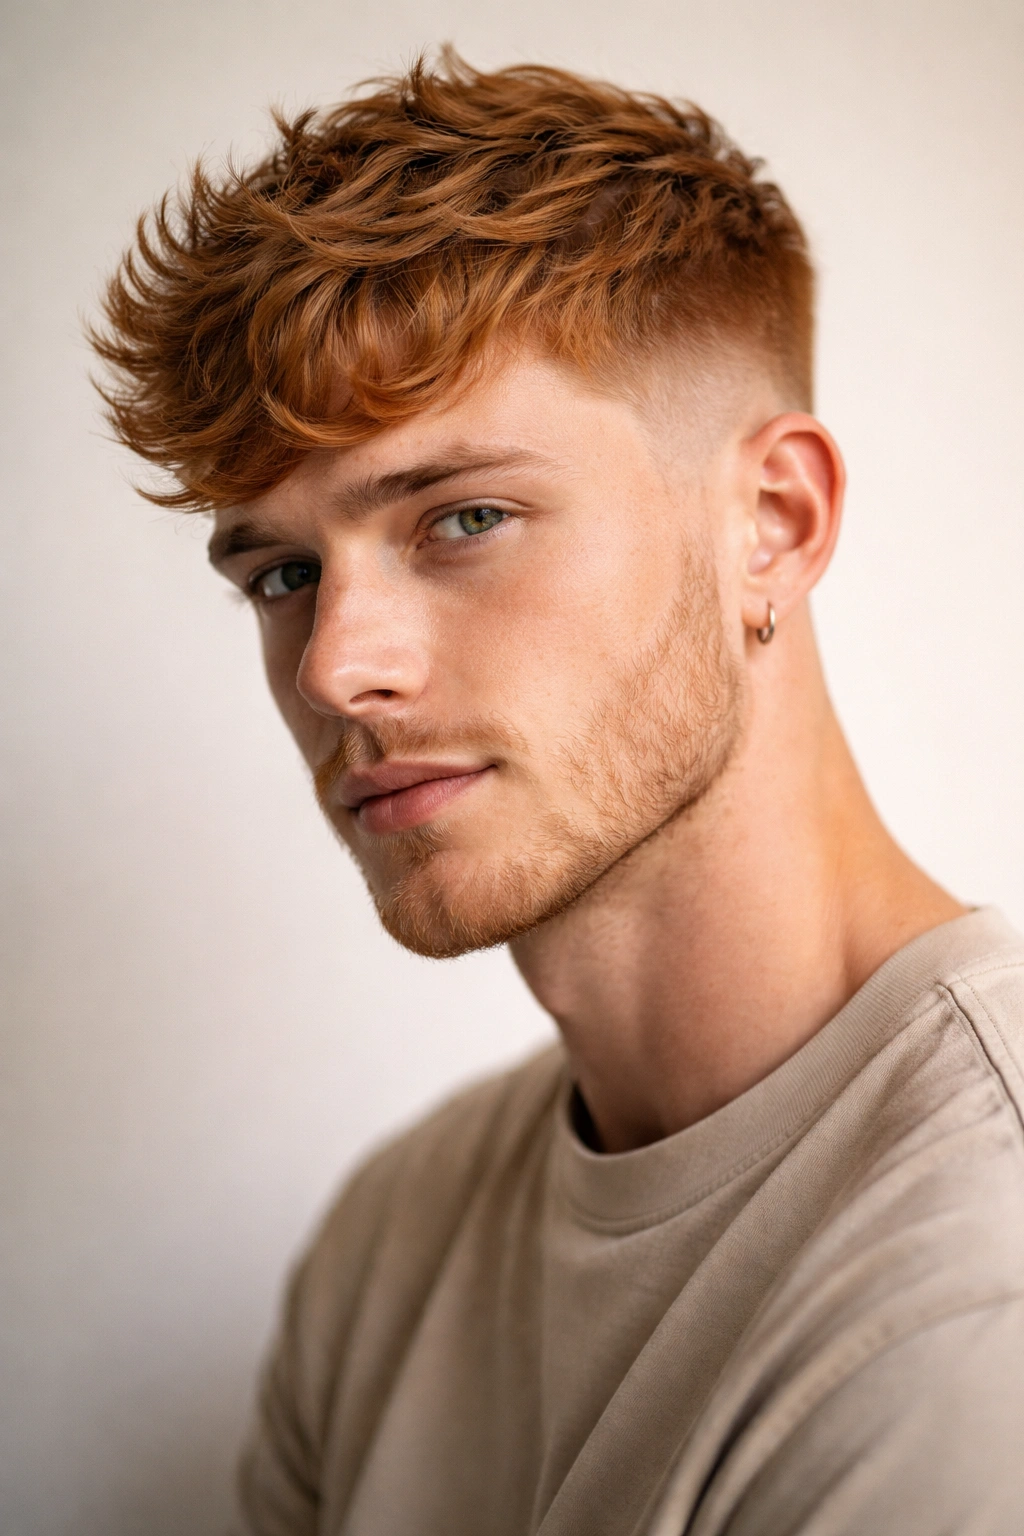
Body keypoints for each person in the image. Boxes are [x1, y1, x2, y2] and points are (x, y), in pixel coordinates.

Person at [91, 50, 1024, 1536]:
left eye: (463, 517)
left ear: (772, 526)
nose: (336, 667)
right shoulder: (392, 1245)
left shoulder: (973, 1295)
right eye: (280, 573)